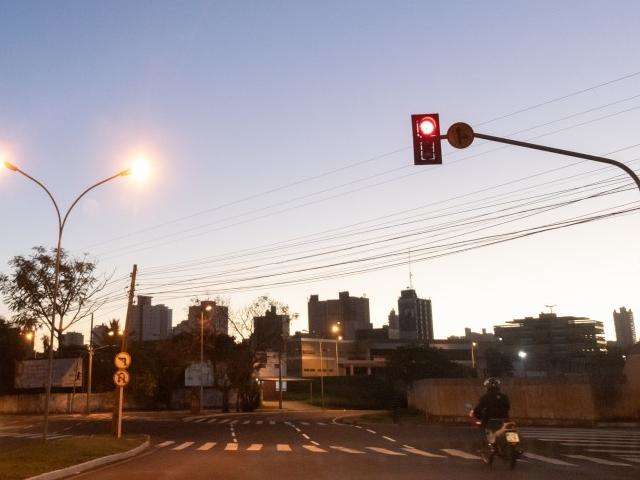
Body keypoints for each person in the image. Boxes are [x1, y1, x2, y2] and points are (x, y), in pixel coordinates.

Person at [472, 378, 510, 445]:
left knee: (483, 429)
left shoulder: (485, 397)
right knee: (509, 429)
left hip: (490, 419)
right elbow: (508, 407)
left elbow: (478, 409)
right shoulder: (504, 396)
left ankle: (488, 444)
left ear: (487, 387)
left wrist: (477, 415)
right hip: (504, 419)